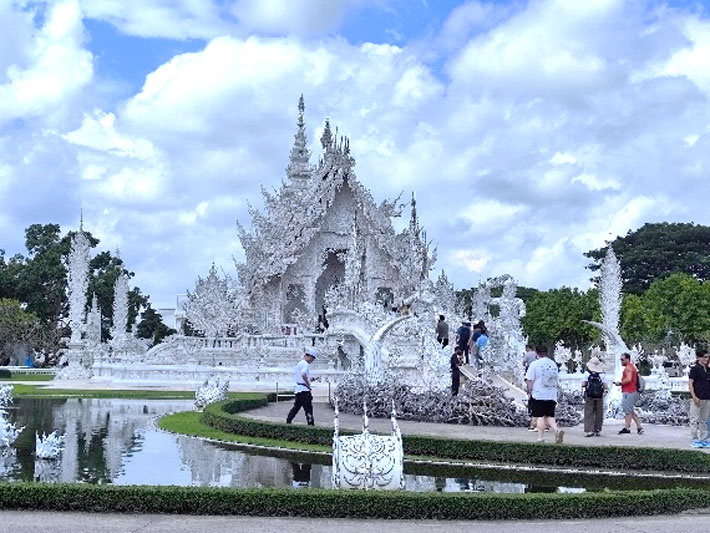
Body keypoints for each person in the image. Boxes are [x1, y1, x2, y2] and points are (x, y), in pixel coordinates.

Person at [525, 346, 564, 444]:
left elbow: (529, 380)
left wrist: (529, 391)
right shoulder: (553, 364)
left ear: (536, 354)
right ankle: (557, 431)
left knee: (540, 416)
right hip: (551, 394)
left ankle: (540, 438)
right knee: (550, 416)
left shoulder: (535, 364)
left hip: (539, 394)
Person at [286, 347, 317, 425]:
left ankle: (288, 420)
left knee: (296, 407)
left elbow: (301, 376)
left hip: (298, 389)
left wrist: (310, 379)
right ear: (310, 357)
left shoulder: (299, 363)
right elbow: (303, 375)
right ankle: (311, 423)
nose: (312, 361)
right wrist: (308, 385)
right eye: (312, 359)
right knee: (308, 409)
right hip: (304, 390)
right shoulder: (306, 364)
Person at [615, 352, 644, 435]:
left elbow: (628, 379)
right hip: (631, 391)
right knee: (630, 410)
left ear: (627, 359)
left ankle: (627, 428)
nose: (621, 361)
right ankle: (639, 427)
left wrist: (620, 383)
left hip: (629, 391)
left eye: (622, 359)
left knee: (628, 411)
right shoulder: (631, 367)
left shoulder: (628, 368)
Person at [688, 349, 710, 447]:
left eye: (708, 357)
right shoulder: (695, 369)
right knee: (694, 419)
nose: (707, 359)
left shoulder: (708, 370)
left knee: (704, 420)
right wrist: (694, 396)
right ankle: (694, 439)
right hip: (697, 397)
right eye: (704, 357)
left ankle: (704, 439)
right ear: (698, 358)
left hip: (707, 397)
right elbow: (690, 383)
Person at [582, 356, 608, 437]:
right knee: (599, 412)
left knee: (589, 412)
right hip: (599, 395)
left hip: (590, 395)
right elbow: (605, 385)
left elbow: (583, 384)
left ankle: (589, 430)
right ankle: (598, 429)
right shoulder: (602, 374)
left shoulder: (587, 373)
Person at [523, 345, 538, 431]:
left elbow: (523, 362)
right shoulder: (535, 355)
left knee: (533, 406)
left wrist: (529, 390)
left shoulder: (527, 354)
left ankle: (533, 424)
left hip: (530, 370)